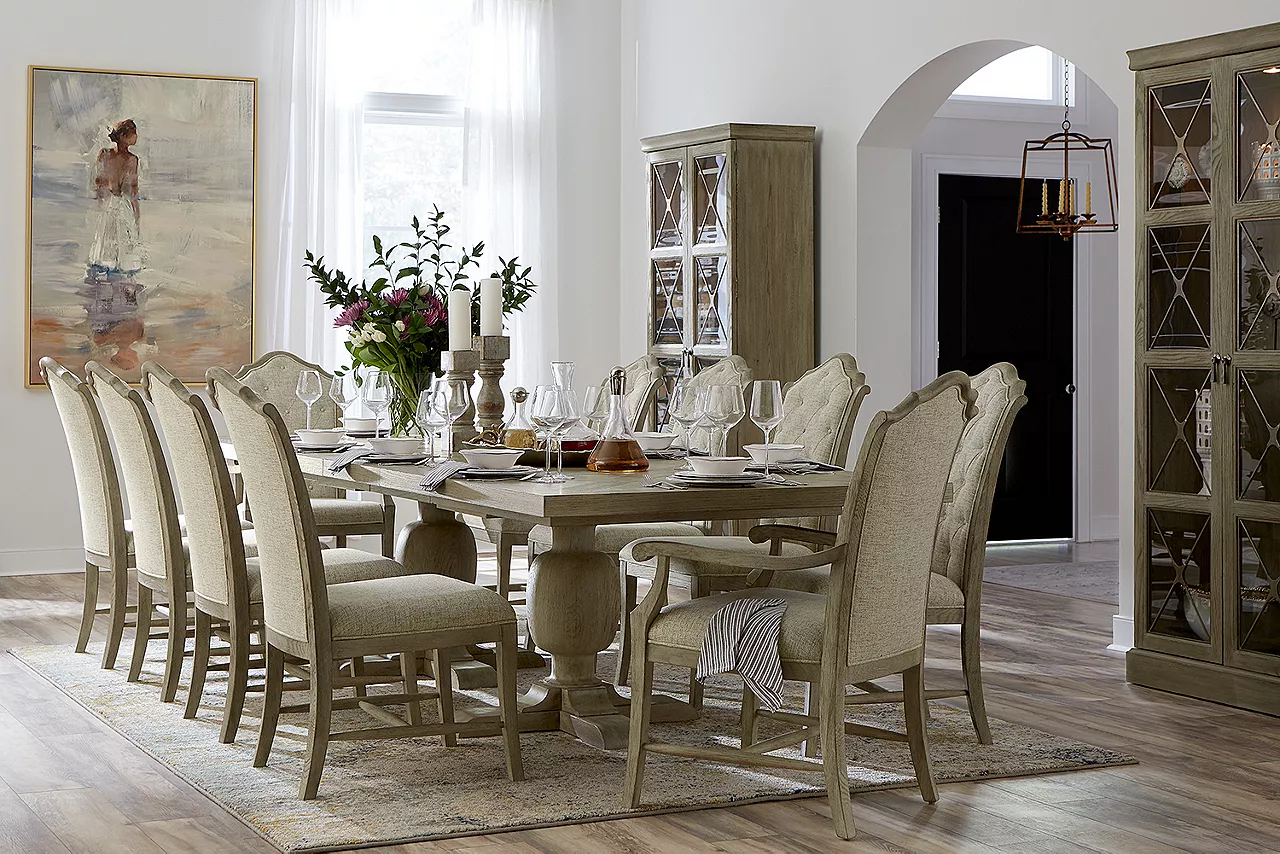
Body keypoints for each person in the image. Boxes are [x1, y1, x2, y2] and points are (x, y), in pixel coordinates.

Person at [88, 118, 143, 276]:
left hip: (112, 203)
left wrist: (106, 192)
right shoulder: (131, 159)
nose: (136, 136)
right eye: (134, 133)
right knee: (121, 241)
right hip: (120, 204)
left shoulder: (106, 154)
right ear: (125, 136)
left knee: (109, 241)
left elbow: (98, 182)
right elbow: (133, 190)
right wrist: (136, 215)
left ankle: (106, 273)